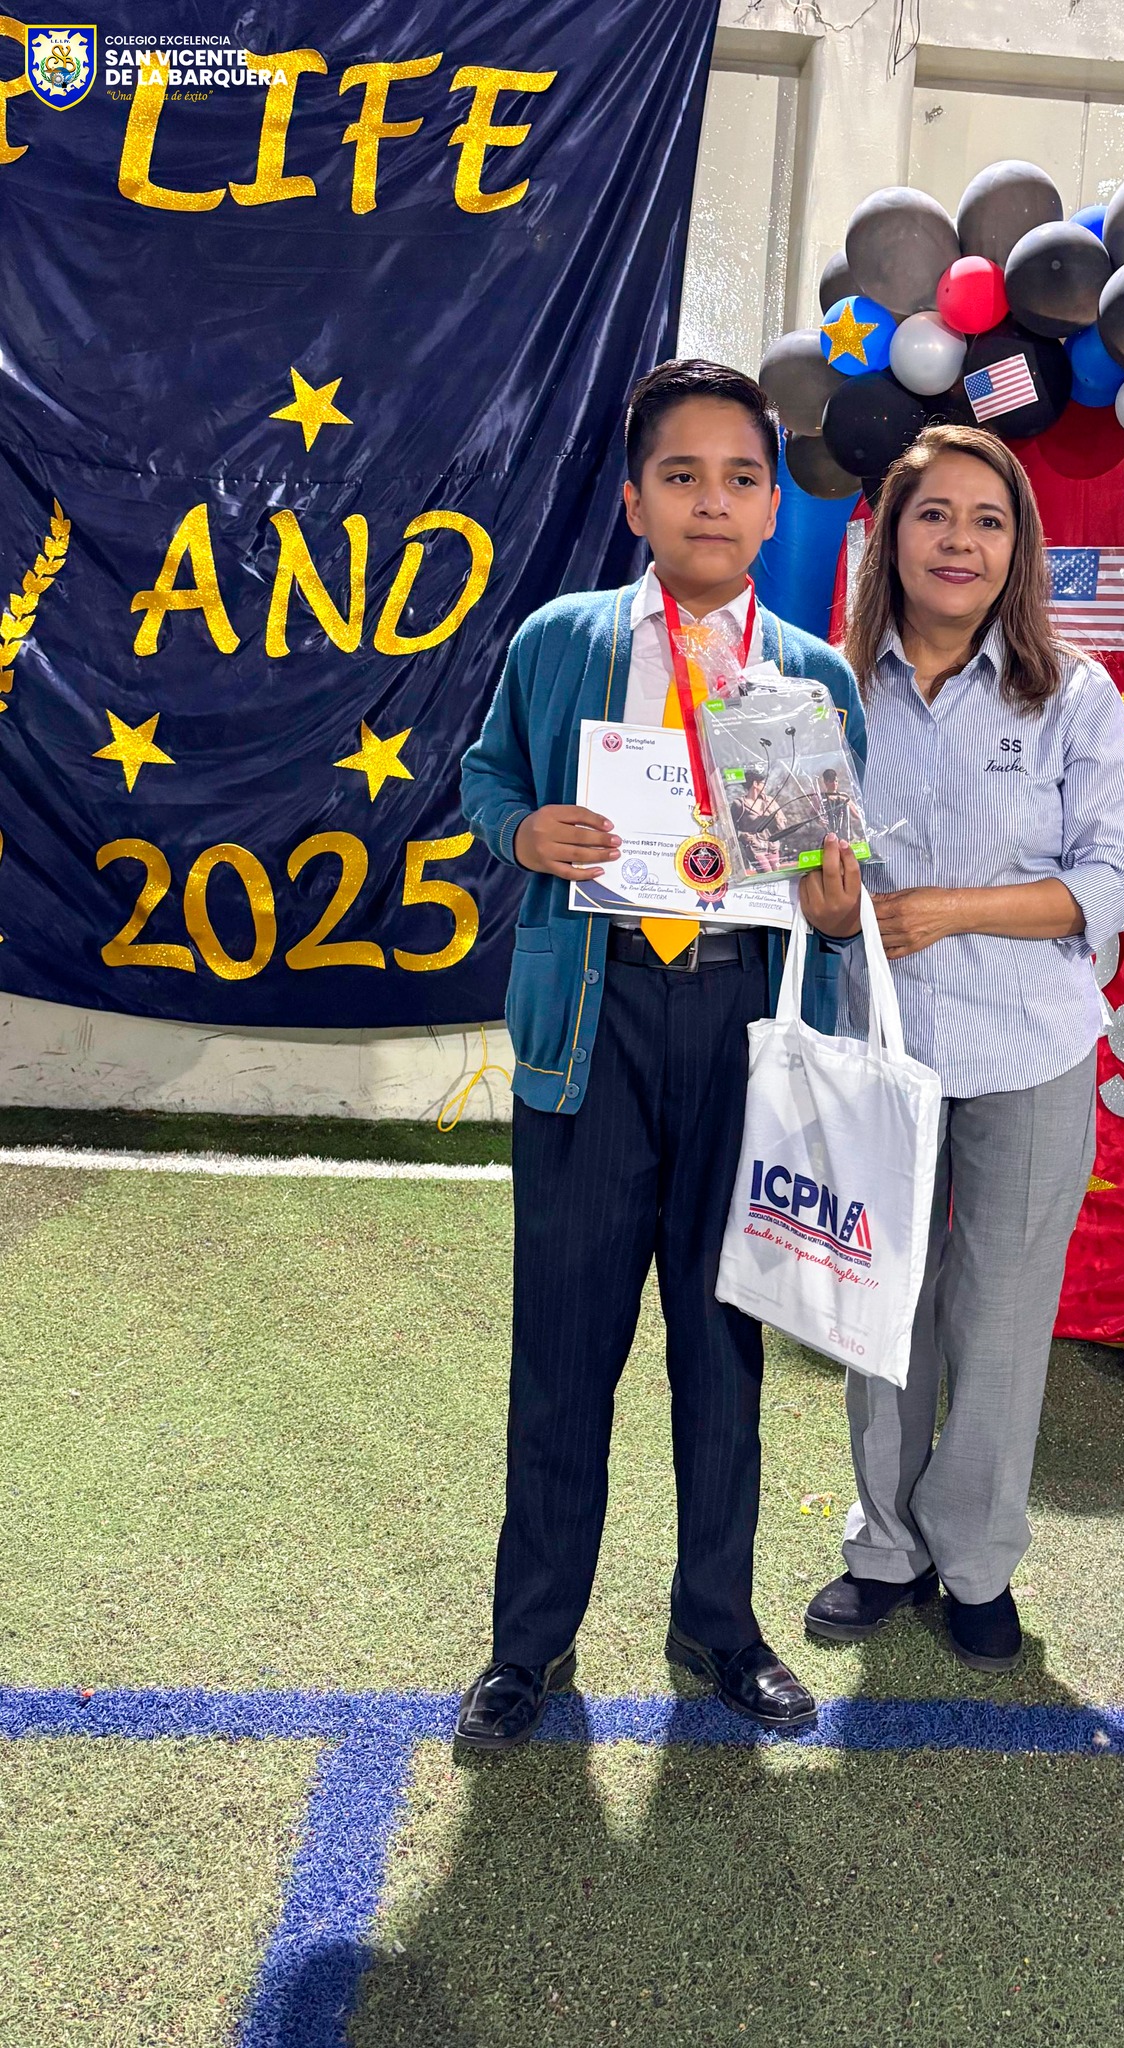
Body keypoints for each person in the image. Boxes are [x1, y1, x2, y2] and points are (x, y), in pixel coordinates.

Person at [456, 361, 865, 1750]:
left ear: (773, 507)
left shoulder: (804, 677)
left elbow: (837, 886)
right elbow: (488, 776)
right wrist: (523, 832)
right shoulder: (562, 641)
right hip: (595, 1020)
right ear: (635, 499)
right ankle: (528, 1644)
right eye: (681, 475)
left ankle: (719, 1623)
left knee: (722, 1346)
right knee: (564, 1349)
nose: (711, 501)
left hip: (743, 1029)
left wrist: (834, 902)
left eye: (740, 478)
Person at [797, 423, 1124, 1673]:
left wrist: (949, 908)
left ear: (1020, 548)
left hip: (1031, 1045)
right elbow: (788, 878)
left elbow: (1117, 874)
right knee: (882, 1307)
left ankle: (977, 1559)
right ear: (890, 537)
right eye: (935, 514)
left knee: (1001, 1317)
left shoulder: (1074, 694)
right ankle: (885, 1546)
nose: (961, 540)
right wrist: (828, 909)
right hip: (877, 1042)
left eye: (988, 520)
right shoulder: (821, 694)